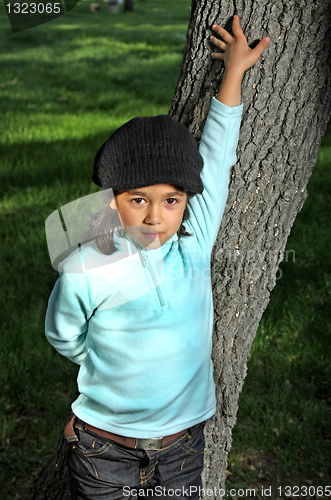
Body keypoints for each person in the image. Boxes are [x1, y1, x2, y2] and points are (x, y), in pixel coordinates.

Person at [45, 16, 269, 500]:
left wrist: (233, 74)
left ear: (186, 202)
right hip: (105, 450)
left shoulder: (194, 242)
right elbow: (62, 332)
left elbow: (218, 155)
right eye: (138, 199)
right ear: (112, 201)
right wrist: (103, 360)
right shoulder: (87, 264)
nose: (155, 217)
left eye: (171, 200)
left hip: (184, 448)